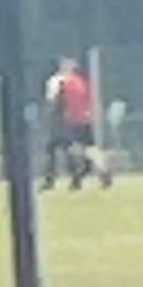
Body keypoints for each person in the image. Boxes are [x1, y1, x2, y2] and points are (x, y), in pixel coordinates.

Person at [43, 56, 103, 191]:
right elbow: (88, 99)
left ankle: (60, 179)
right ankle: (100, 168)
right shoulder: (81, 81)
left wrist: (54, 118)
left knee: (61, 148)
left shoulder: (58, 81)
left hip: (66, 120)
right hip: (85, 118)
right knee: (89, 147)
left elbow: (53, 100)